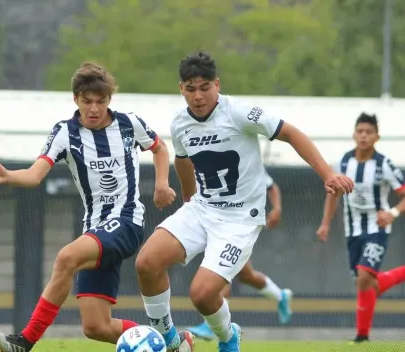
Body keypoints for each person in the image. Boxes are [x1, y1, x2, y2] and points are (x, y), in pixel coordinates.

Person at [134, 51, 354, 352]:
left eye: (204, 87)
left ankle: (228, 338)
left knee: (201, 294)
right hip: (202, 209)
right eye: (190, 88)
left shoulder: (240, 112)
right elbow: (183, 159)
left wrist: (327, 173)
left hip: (240, 220)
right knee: (146, 263)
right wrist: (188, 194)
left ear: (217, 85)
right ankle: (170, 340)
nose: (198, 96)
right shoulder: (180, 123)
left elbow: (291, 133)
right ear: (181, 88)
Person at [0, 62, 177, 352]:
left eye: (101, 101)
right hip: (95, 228)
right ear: (76, 99)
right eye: (87, 101)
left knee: (65, 257)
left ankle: (24, 341)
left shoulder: (128, 123)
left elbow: (159, 148)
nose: (94, 108)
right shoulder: (65, 133)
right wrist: (9, 176)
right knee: (96, 327)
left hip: (126, 221)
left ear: (110, 100)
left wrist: (162, 183)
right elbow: (36, 175)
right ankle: (173, 342)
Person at [316, 113, 405, 344]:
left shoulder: (384, 164)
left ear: (377, 137)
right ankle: (362, 337)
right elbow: (334, 194)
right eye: (360, 131)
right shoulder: (343, 163)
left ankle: (361, 335)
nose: (364, 136)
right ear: (354, 134)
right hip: (352, 230)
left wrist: (392, 213)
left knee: (365, 277)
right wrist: (325, 223)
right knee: (364, 284)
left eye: (369, 132)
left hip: (377, 229)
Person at [187, 169, 293, 341]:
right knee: (246, 275)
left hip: (239, 226)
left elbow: (271, 186)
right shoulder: (202, 157)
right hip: (214, 225)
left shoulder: (244, 159)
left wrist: (277, 209)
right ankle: (280, 296)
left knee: (220, 272)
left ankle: (212, 326)